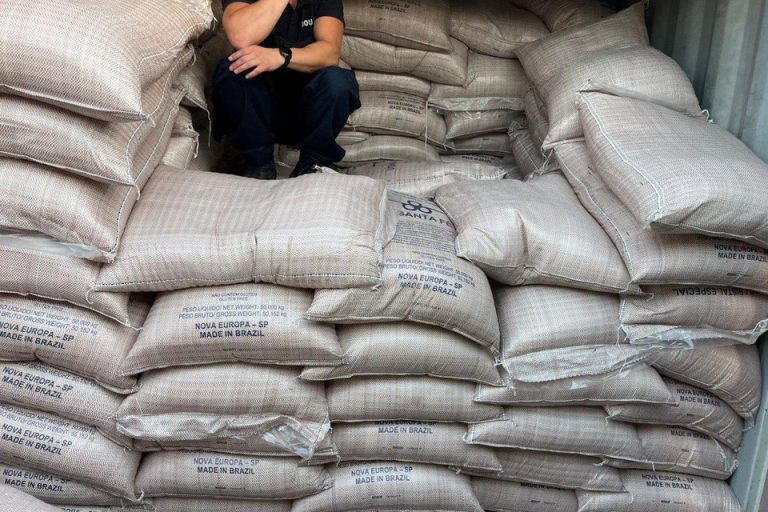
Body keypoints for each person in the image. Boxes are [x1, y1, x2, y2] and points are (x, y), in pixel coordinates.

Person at [213, 0, 360, 179]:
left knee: (338, 81)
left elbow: (330, 53)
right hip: (254, 114)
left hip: (304, 112)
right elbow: (240, 37)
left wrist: (281, 56)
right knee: (233, 70)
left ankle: (312, 165)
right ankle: (258, 165)